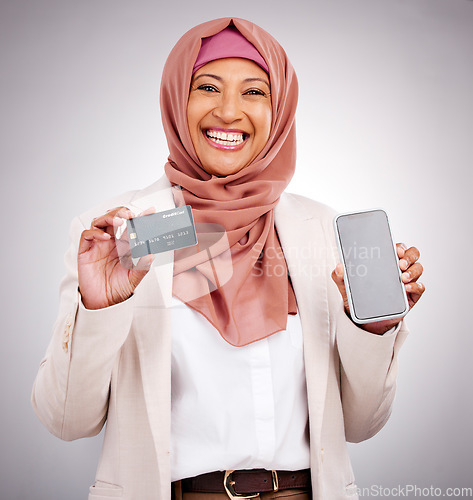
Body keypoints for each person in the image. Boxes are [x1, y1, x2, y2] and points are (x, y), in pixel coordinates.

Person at [31, 17, 424, 500]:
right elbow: (67, 421)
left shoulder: (322, 233)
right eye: (208, 86)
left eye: (254, 92)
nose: (229, 111)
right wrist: (100, 308)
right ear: (177, 98)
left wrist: (374, 327)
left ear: (279, 109)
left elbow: (362, 424)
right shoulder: (118, 238)